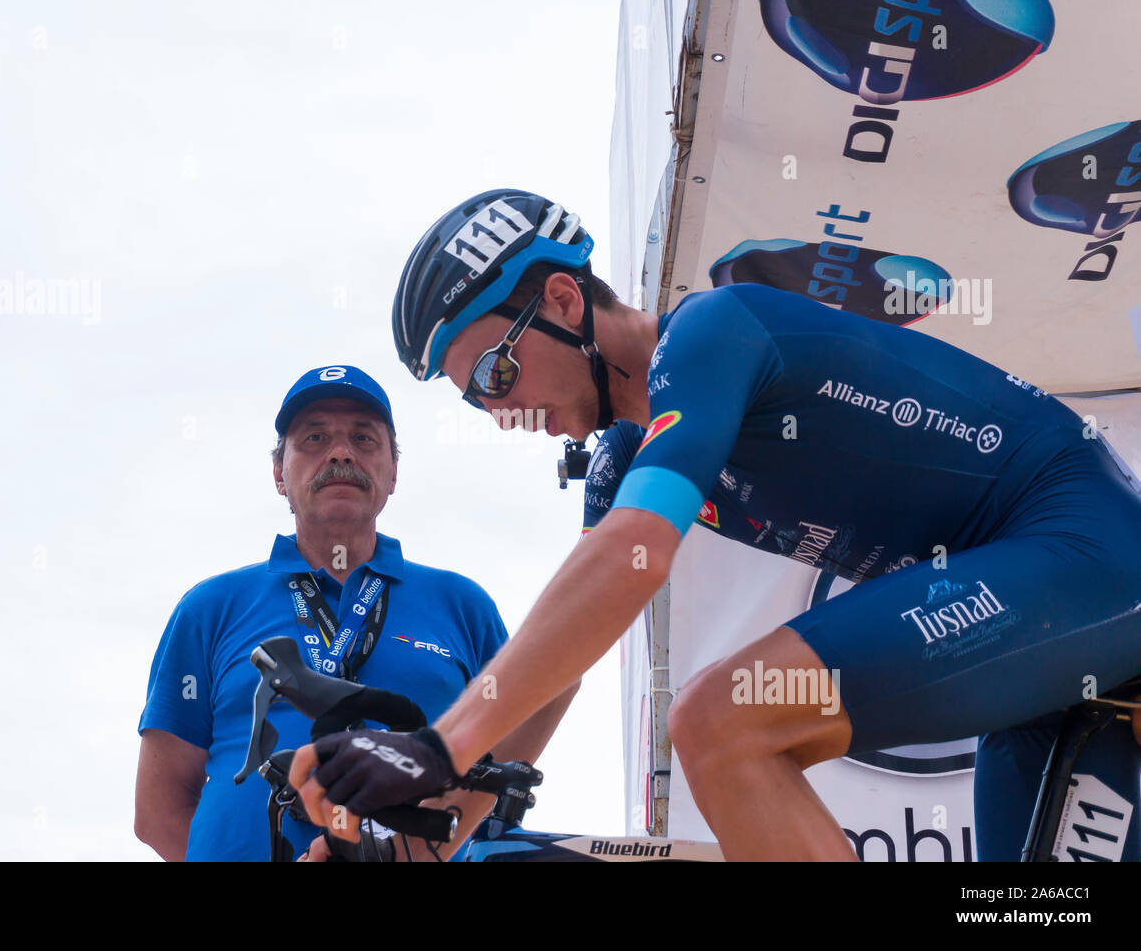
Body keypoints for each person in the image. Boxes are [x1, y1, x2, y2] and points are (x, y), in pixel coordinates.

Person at [289, 189, 1141, 861]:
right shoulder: (625, 454)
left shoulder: (709, 334)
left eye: (498, 370)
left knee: (723, 721)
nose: (501, 408)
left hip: (1091, 551)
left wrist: (440, 741)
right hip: (1047, 646)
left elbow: (635, 555)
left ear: (561, 298)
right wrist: (434, 832)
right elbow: (561, 674)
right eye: (475, 399)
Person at [135, 363, 577, 861]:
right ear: (279, 473)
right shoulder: (210, 609)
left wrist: (415, 851)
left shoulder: (461, 604)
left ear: (393, 472)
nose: (340, 452)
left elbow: (538, 702)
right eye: (315, 438)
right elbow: (158, 811)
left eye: (364, 439)